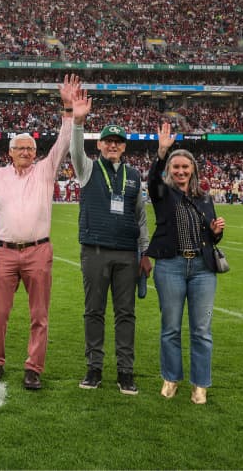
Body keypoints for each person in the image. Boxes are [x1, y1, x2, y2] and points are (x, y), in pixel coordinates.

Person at [0, 75, 79, 389]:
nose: (25, 152)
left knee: (39, 315)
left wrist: (68, 108)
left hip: (38, 250)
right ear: (10, 151)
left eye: (30, 147)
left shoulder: (46, 171)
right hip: (4, 251)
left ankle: (33, 368)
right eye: (19, 148)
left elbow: (63, 142)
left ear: (35, 151)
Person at [69, 101, 150, 395]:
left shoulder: (134, 176)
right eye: (108, 141)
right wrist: (78, 123)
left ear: (124, 147)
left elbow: (140, 216)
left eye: (118, 142)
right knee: (94, 311)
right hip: (95, 251)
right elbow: (75, 151)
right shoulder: (88, 169)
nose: (113, 145)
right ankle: (94, 368)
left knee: (126, 314)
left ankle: (125, 372)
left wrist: (145, 252)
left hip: (127, 253)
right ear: (100, 145)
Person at [145, 122, 226, 405]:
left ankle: (200, 384)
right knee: (170, 328)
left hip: (202, 269)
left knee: (202, 331)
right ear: (170, 170)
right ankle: (171, 377)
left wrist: (216, 232)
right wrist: (162, 152)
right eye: (175, 167)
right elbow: (153, 180)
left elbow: (210, 238)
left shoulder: (203, 197)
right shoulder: (163, 194)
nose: (180, 171)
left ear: (193, 170)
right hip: (171, 266)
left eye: (185, 167)